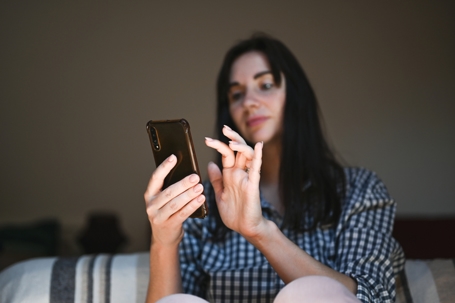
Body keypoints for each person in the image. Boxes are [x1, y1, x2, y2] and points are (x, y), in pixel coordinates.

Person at [144, 34, 405, 303]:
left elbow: (371, 297)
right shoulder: (204, 202)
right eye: (236, 94)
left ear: (296, 95)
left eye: (265, 84)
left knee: (307, 292)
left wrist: (261, 231)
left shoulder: (358, 189)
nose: (249, 102)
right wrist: (163, 242)